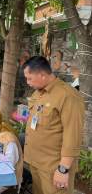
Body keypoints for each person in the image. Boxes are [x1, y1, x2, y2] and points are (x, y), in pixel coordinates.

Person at [23, 56, 84, 194]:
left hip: (54, 167)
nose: (27, 82)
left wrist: (63, 169)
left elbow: (72, 135)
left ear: (42, 75)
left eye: (29, 78)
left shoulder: (67, 96)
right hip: (36, 163)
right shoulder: (37, 93)